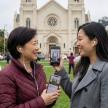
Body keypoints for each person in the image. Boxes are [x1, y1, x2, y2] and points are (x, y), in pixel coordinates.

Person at [0, 27, 60, 108]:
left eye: (37, 43)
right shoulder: (6, 75)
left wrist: (50, 97)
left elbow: (45, 103)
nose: (38, 48)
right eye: (34, 43)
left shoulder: (39, 70)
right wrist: (42, 101)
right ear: (19, 48)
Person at [54, 22, 108, 108]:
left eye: (80, 39)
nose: (77, 44)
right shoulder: (82, 66)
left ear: (94, 41)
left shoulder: (105, 70)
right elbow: (76, 95)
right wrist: (60, 70)